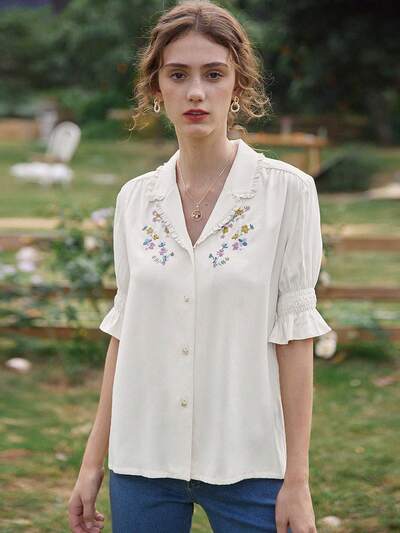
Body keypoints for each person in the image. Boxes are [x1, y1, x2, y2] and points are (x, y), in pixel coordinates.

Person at [68, 1, 332, 532]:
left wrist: (297, 480)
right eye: (178, 75)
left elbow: (296, 338)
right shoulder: (134, 200)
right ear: (155, 87)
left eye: (214, 74)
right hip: (142, 461)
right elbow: (125, 334)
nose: (196, 92)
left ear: (238, 85)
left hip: (250, 463)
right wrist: (92, 462)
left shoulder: (288, 192)